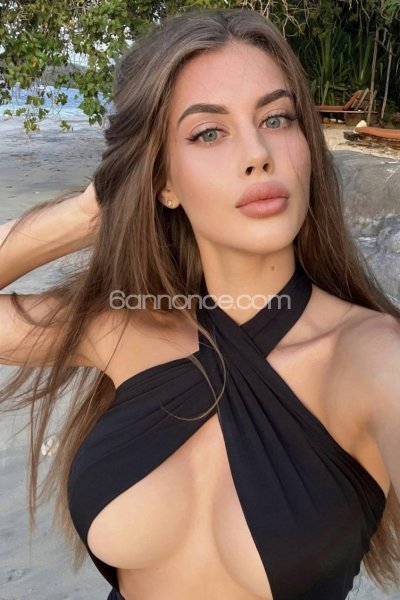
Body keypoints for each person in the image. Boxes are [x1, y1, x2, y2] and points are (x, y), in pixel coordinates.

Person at [0, 7, 399, 600]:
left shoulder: (374, 361)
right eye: (209, 132)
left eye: (276, 118)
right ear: (163, 182)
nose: (257, 152)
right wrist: (89, 214)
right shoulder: (124, 330)